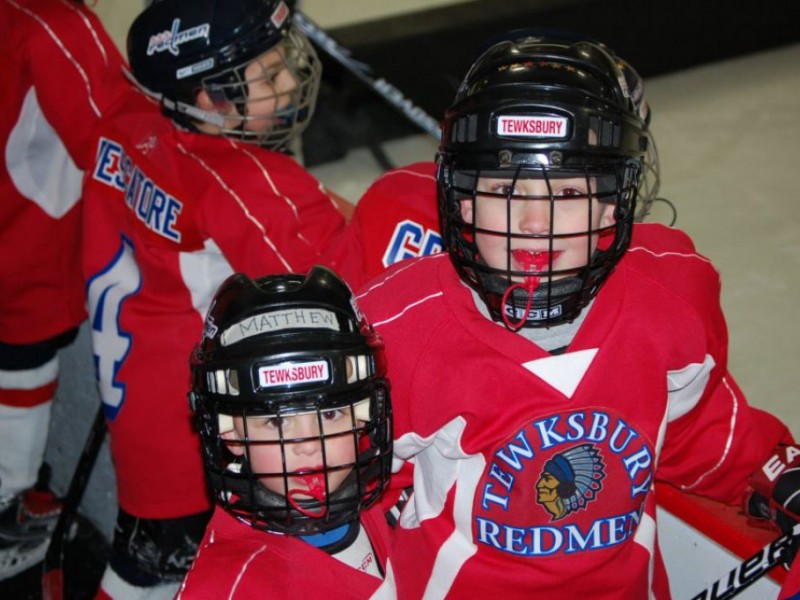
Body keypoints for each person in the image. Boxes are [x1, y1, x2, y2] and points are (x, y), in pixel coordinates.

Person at [354, 32, 799, 598]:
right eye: (505, 191)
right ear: (461, 200)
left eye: (566, 194)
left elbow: (700, 431)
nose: (535, 223)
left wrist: (774, 470)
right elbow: (345, 489)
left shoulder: (667, 301)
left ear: (613, 203)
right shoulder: (399, 327)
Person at [81, 1, 360, 596]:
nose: (289, 83)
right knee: (160, 581)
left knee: (138, 570)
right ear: (210, 99)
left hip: (140, 413)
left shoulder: (127, 122)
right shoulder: (245, 187)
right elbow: (355, 290)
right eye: (269, 74)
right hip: (200, 444)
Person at [0, 0, 127, 580]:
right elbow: (113, 138)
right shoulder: (58, 25)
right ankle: (8, 508)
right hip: (26, 246)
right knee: (23, 356)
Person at [175, 265, 395, 598]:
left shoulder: (389, 510)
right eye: (277, 421)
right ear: (230, 433)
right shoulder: (227, 588)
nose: (308, 444)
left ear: (364, 416)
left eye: (331, 413)